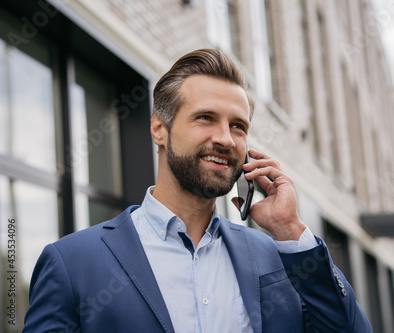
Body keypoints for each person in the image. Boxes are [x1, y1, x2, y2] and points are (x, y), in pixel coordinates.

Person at [23, 49, 372, 333]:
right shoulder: (71, 263)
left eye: (238, 126)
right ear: (159, 129)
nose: (224, 138)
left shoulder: (277, 256)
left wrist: (290, 230)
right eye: (205, 117)